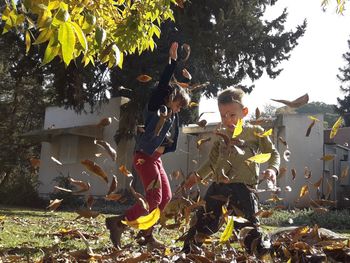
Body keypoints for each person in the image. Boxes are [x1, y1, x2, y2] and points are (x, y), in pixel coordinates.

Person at [106, 42, 191, 250]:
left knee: (166, 197)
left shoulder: (172, 116)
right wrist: (172, 62)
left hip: (155, 159)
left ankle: (146, 235)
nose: (180, 108)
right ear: (170, 98)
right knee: (154, 199)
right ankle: (118, 222)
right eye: (179, 103)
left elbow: (172, 138)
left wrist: (187, 81)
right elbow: (164, 84)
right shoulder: (156, 107)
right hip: (144, 157)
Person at [181, 87, 280, 257]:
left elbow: (273, 154)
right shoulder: (221, 136)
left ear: (244, 112)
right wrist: (196, 177)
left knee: (248, 229)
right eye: (223, 115)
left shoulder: (254, 132)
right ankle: (187, 253)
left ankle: (260, 254)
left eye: (232, 115)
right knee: (204, 220)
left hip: (244, 189)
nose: (227, 120)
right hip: (218, 187)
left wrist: (272, 168)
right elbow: (211, 162)